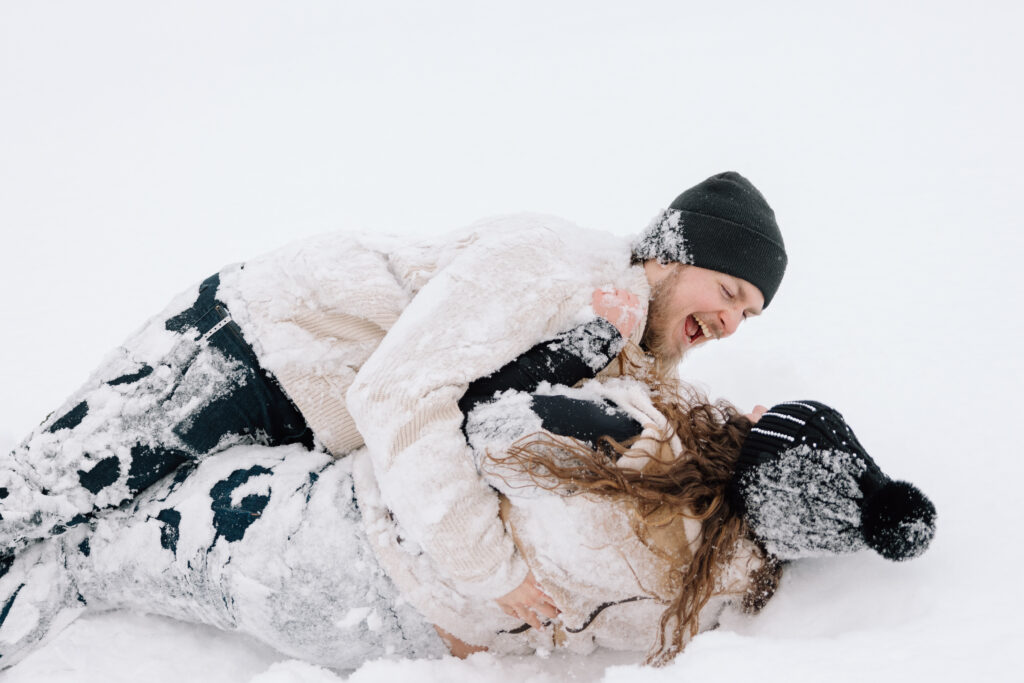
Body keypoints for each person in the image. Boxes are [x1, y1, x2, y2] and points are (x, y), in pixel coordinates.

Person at [0, 171, 788, 622]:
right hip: (252, 342)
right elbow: (400, 393)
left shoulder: (633, 341)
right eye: (727, 289)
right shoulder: (554, 265)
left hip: (314, 420)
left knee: (111, 525)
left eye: (748, 314)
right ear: (670, 252)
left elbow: (641, 411)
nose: (729, 321)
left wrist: (735, 430)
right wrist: (490, 571)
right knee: (47, 488)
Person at [0, 315, 935, 672]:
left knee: (95, 542)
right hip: (385, 631)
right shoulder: (726, 584)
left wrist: (579, 379)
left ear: (759, 443)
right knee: (107, 570)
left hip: (324, 538)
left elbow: (490, 426)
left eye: (772, 418)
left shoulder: (634, 444)